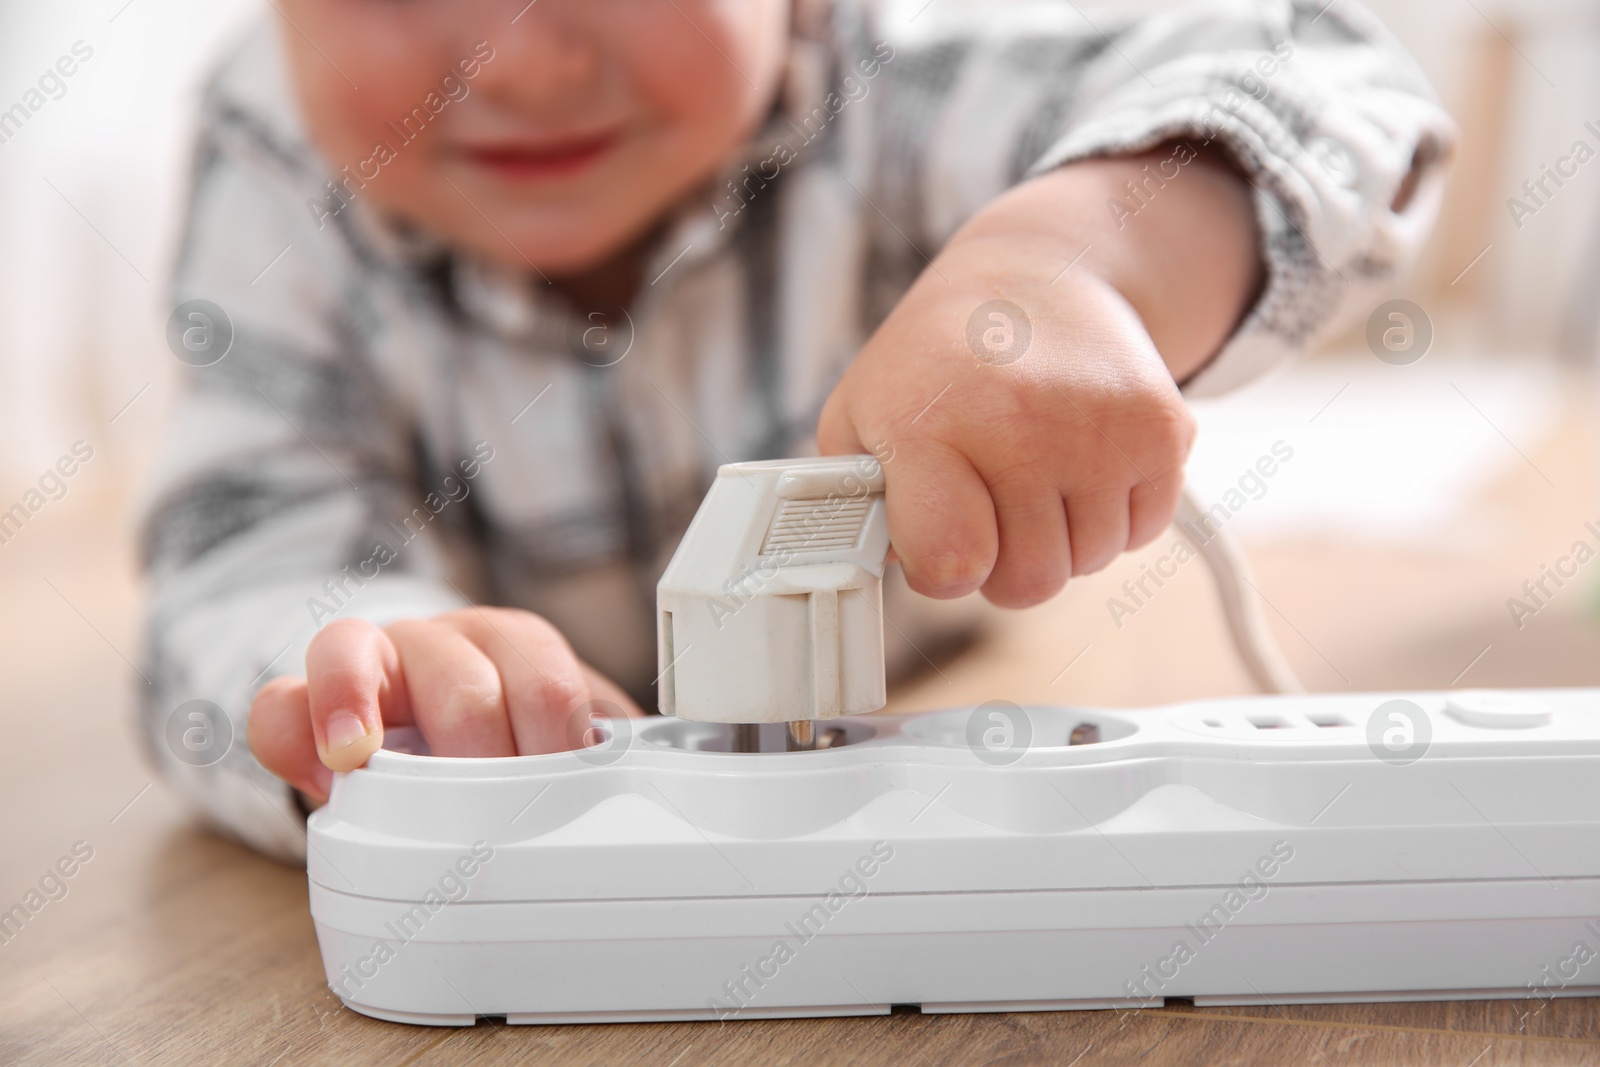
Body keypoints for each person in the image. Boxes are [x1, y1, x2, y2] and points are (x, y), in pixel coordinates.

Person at [139, 0, 1453, 861]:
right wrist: (355, 675)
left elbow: (1337, 73)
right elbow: (239, 552)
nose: (527, 63)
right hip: (518, 754)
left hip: (935, 672)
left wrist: (1085, 254)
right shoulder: (275, 155)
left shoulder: (903, 60)